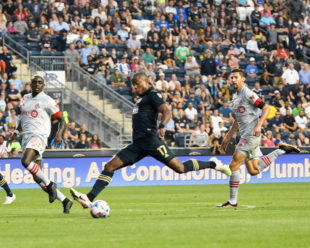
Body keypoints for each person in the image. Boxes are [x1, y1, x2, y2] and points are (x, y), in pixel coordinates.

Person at [70, 72, 232, 208]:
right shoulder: (140, 99)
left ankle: (213, 164)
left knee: (180, 168)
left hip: (151, 141)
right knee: (110, 166)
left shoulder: (152, 95)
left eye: (137, 83)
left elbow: (166, 111)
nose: (134, 87)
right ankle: (89, 198)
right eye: (132, 85)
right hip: (138, 144)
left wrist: (162, 126)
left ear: (146, 81)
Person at [217, 69, 300, 208]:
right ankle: (280, 151)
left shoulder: (247, 93)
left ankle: (232, 201)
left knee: (233, 165)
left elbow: (266, 108)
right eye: (231, 78)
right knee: (254, 170)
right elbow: (237, 121)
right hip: (245, 135)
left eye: (236, 77)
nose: (233, 80)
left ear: (243, 79)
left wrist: (259, 125)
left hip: (251, 135)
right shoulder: (235, 98)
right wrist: (227, 138)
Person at [7, 74, 73, 214]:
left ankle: (51, 185)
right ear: (31, 85)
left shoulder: (47, 100)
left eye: (39, 82)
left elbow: (62, 120)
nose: (37, 84)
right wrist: (15, 134)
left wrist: (59, 134)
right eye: (34, 82)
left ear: (43, 85)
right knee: (37, 177)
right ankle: (65, 200)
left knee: (25, 161)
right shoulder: (25, 99)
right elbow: (23, 120)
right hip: (26, 138)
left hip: (39, 136)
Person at [0, 134, 15, 204]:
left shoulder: (5, 144)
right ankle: (10, 194)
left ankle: (10, 194)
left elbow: (9, 154)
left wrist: (6, 155)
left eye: (1, 138)